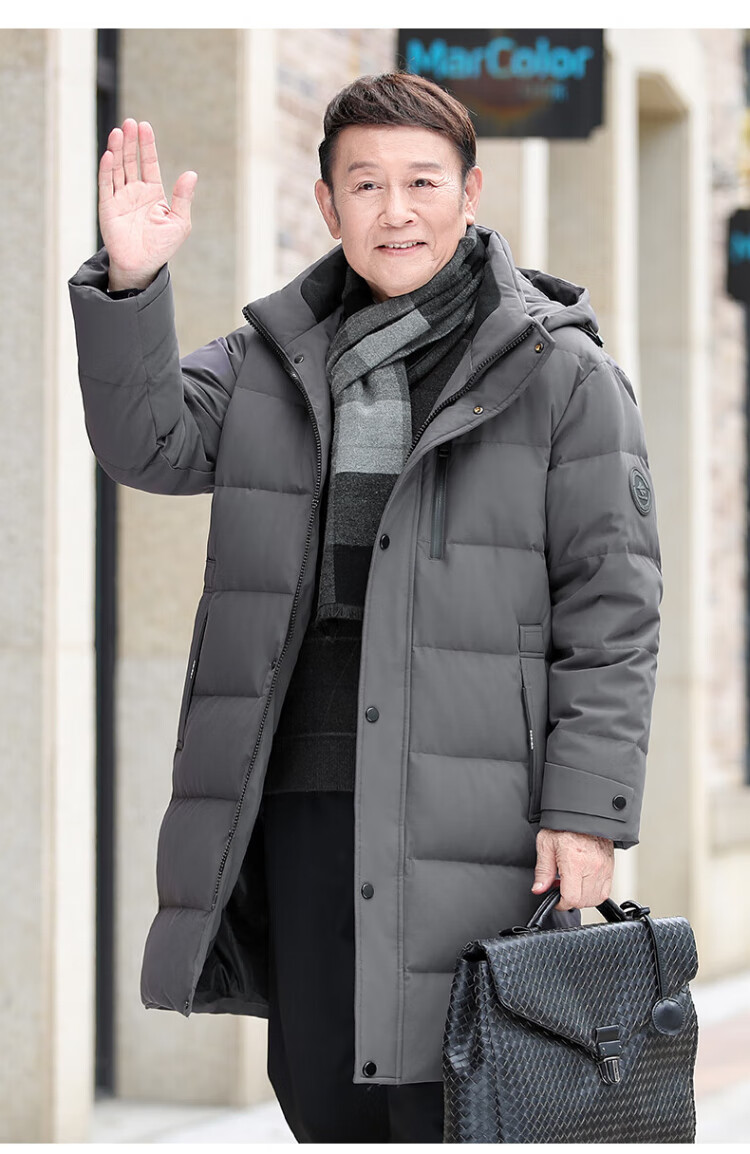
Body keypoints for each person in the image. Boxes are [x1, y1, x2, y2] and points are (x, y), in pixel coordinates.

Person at [68, 72, 662, 1143]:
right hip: (304, 800)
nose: (397, 210)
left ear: (469, 193)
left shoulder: (561, 374)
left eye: (423, 182)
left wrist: (588, 812)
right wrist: (131, 283)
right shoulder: (269, 363)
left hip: (478, 813)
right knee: (327, 1097)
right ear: (327, 203)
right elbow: (147, 442)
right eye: (367, 184)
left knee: (468, 1095)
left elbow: (613, 611)